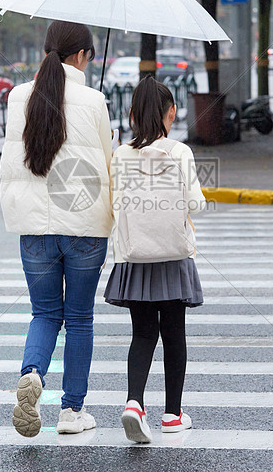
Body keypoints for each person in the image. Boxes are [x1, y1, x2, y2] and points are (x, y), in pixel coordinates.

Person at [0, 20, 113, 438]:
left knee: (44, 313)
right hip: (84, 225)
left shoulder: (17, 98)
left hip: (34, 227)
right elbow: (106, 161)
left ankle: (32, 372)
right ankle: (71, 411)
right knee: (79, 318)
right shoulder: (94, 99)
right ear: (82, 56)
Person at [103, 76, 207, 443]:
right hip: (173, 255)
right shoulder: (180, 152)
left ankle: (134, 402)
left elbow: (114, 207)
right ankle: (173, 414)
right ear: (172, 113)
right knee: (174, 334)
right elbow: (196, 204)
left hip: (135, 258)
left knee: (143, 333)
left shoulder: (120, 155)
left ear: (131, 115)